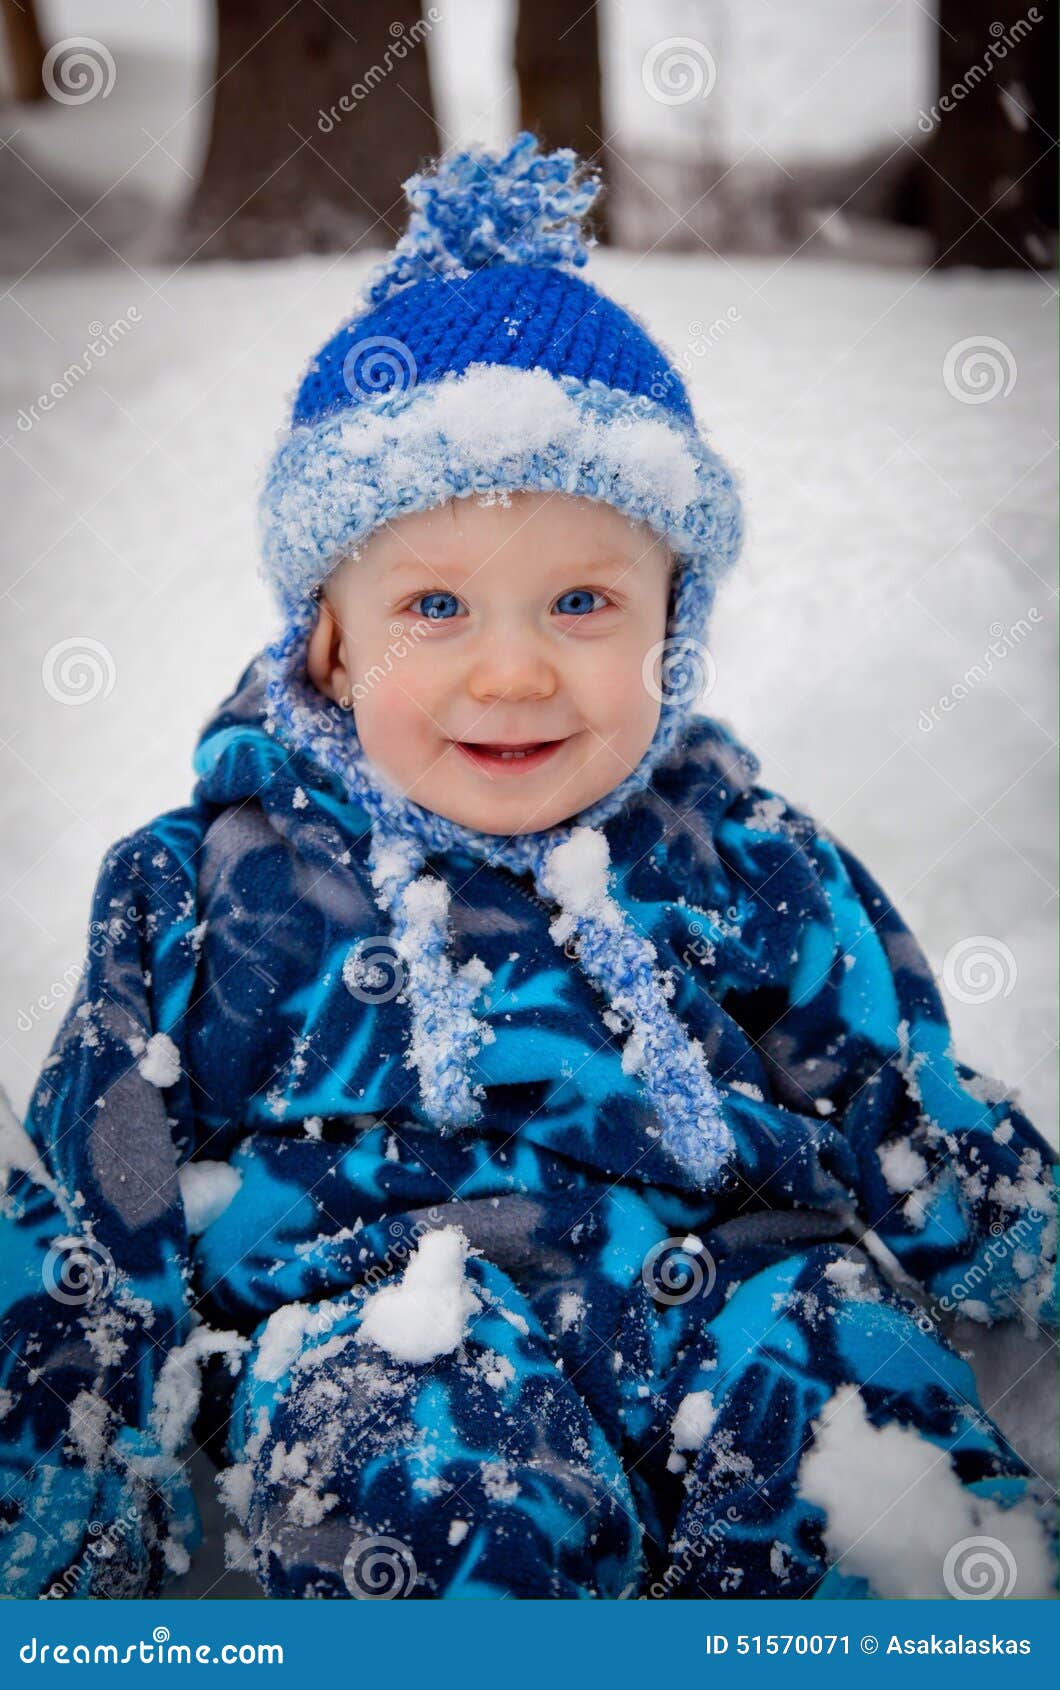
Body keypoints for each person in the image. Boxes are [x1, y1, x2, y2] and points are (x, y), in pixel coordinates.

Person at [0, 133, 1055, 1602]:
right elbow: (94, 1214)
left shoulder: (739, 853)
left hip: (730, 1292)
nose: (514, 670)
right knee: (410, 1464)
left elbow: (900, 1100)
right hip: (387, 1317)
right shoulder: (204, 885)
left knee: (871, 1416)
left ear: (669, 628)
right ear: (331, 638)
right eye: (436, 603)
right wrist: (71, 1502)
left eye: (581, 599)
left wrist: (1023, 1241)